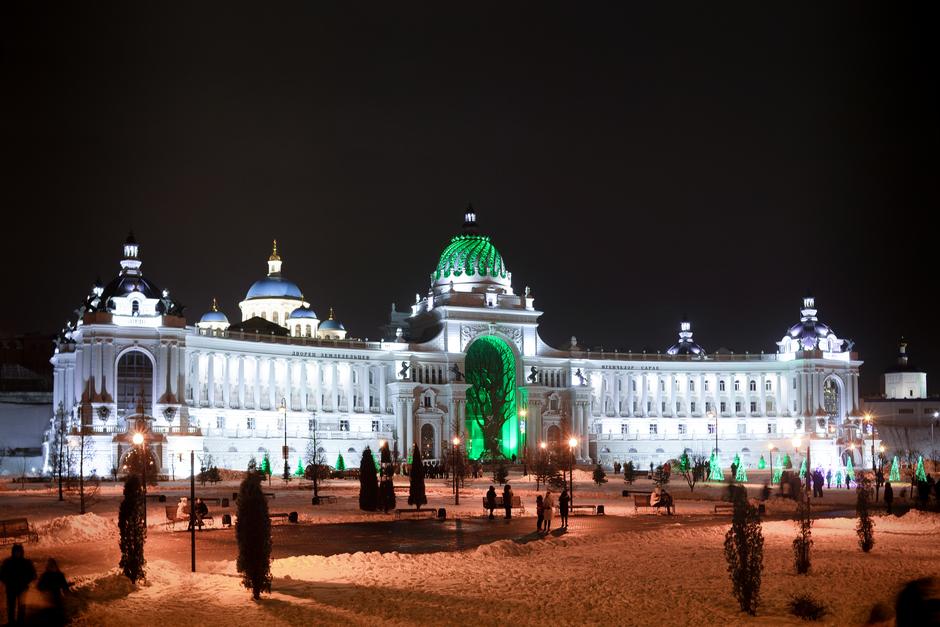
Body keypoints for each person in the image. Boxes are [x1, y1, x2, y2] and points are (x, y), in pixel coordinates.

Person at [0, 543, 37, 625]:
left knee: (22, 606)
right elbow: (1, 574)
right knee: (11, 606)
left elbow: (33, 575)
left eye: (19, 552)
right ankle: (11, 621)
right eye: (16, 552)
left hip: (22, 588)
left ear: (21, 552)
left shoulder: (26, 563)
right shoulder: (8, 563)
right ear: (13, 552)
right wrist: (7, 582)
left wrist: (25, 581)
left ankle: (21, 622)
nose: (17, 553)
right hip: (11, 588)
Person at [37, 558, 71, 625]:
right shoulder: (45, 576)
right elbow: (39, 587)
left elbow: (64, 587)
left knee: (58, 618)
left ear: (55, 566)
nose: (51, 567)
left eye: (52, 565)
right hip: (48, 600)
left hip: (57, 599)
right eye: (50, 565)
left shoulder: (59, 575)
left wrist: (67, 594)